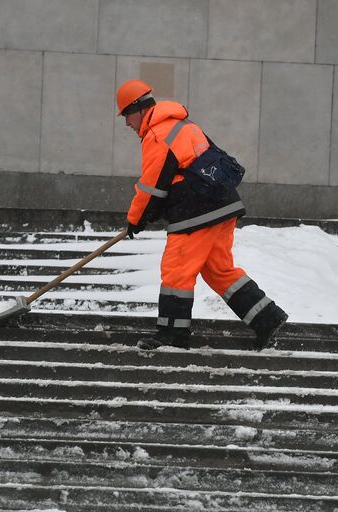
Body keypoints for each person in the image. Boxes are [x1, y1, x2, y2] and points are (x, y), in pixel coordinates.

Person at [115, 79, 287, 351]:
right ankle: (268, 319)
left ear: (138, 109)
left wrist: (136, 219)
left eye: (126, 115)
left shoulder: (158, 134)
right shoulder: (183, 124)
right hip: (222, 205)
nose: (127, 123)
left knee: (176, 271)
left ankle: (172, 335)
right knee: (220, 270)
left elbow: (151, 186)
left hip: (195, 213)